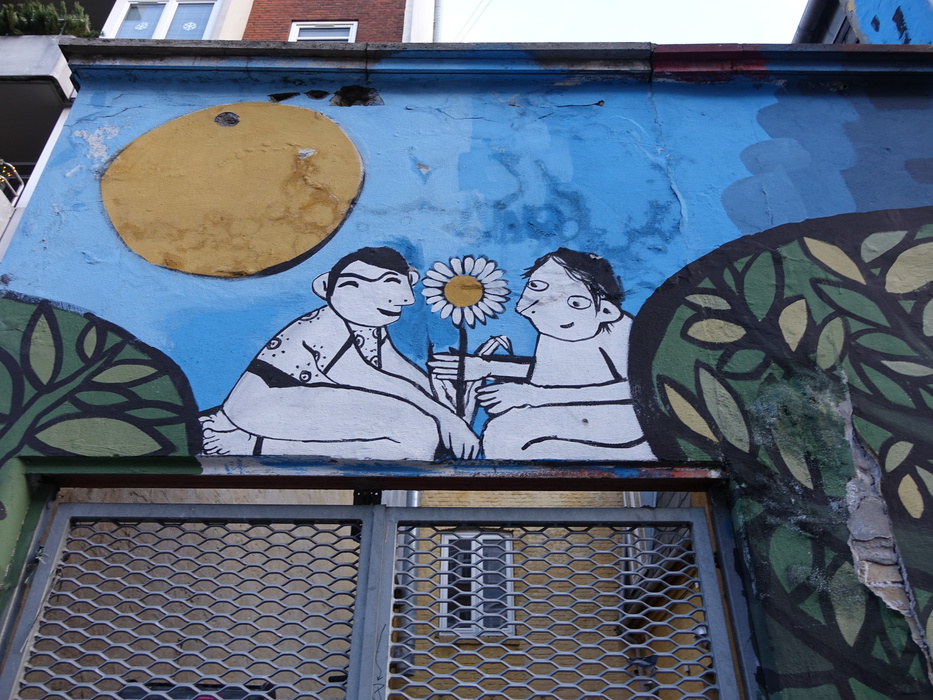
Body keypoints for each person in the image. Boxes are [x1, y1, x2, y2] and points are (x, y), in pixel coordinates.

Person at [201, 247, 479, 460]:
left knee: (416, 441)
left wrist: (441, 400)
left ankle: (259, 445)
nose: (407, 299)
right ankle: (252, 445)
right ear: (328, 287)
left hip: (298, 401)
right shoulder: (327, 326)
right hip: (266, 404)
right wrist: (445, 417)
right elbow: (366, 376)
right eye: (385, 283)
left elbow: (396, 368)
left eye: (403, 284)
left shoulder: (368, 327)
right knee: (415, 427)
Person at [430, 248, 654, 460]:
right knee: (501, 433)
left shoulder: (620, 331)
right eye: (536, 285)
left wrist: (533, 395)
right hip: (576, 415)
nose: (543, 302)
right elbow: (558, 371)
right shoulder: (555, 329)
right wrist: (487, 367)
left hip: (620, 424)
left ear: (606, 311)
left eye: (576, 302)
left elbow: (637, 389)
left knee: (505, 436)